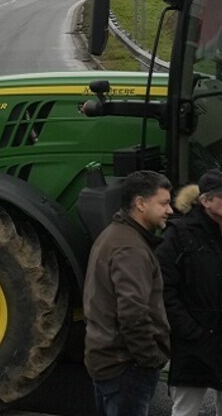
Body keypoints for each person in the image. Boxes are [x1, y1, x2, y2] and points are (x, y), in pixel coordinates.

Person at [157, 170, 222, 416]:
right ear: (205, 201)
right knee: (185, 411)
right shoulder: (179, 234)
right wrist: (189, 330)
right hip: (194, 344)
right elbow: (163, 289)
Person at [84, 170, 174, 416]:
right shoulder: (130, 249)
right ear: (140, 203)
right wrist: (150, 359)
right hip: (126, 368)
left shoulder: (115, 235)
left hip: (109, 362)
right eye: (164, 203)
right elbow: (133, 313)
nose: (170, 210)